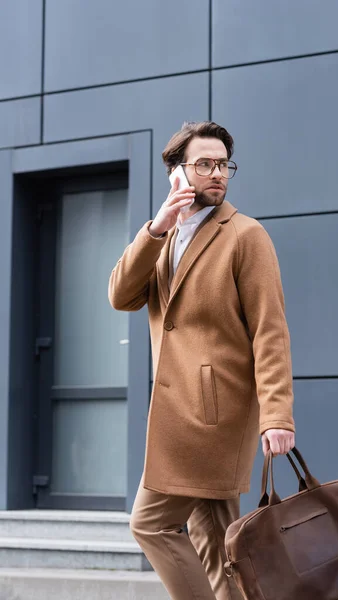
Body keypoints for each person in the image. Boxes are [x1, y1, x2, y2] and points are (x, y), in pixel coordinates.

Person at [108, 121, 295, 600]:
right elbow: (121, 296)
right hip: (180, 413)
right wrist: (155, 229)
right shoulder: (163, 238)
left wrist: (276, 415)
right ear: (177, 173)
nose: (217, 174)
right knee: (217, 547)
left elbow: (269, 332)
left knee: (149, 524)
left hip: (214, 417)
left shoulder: (246, 236)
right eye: (204, 164)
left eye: (223, 165)